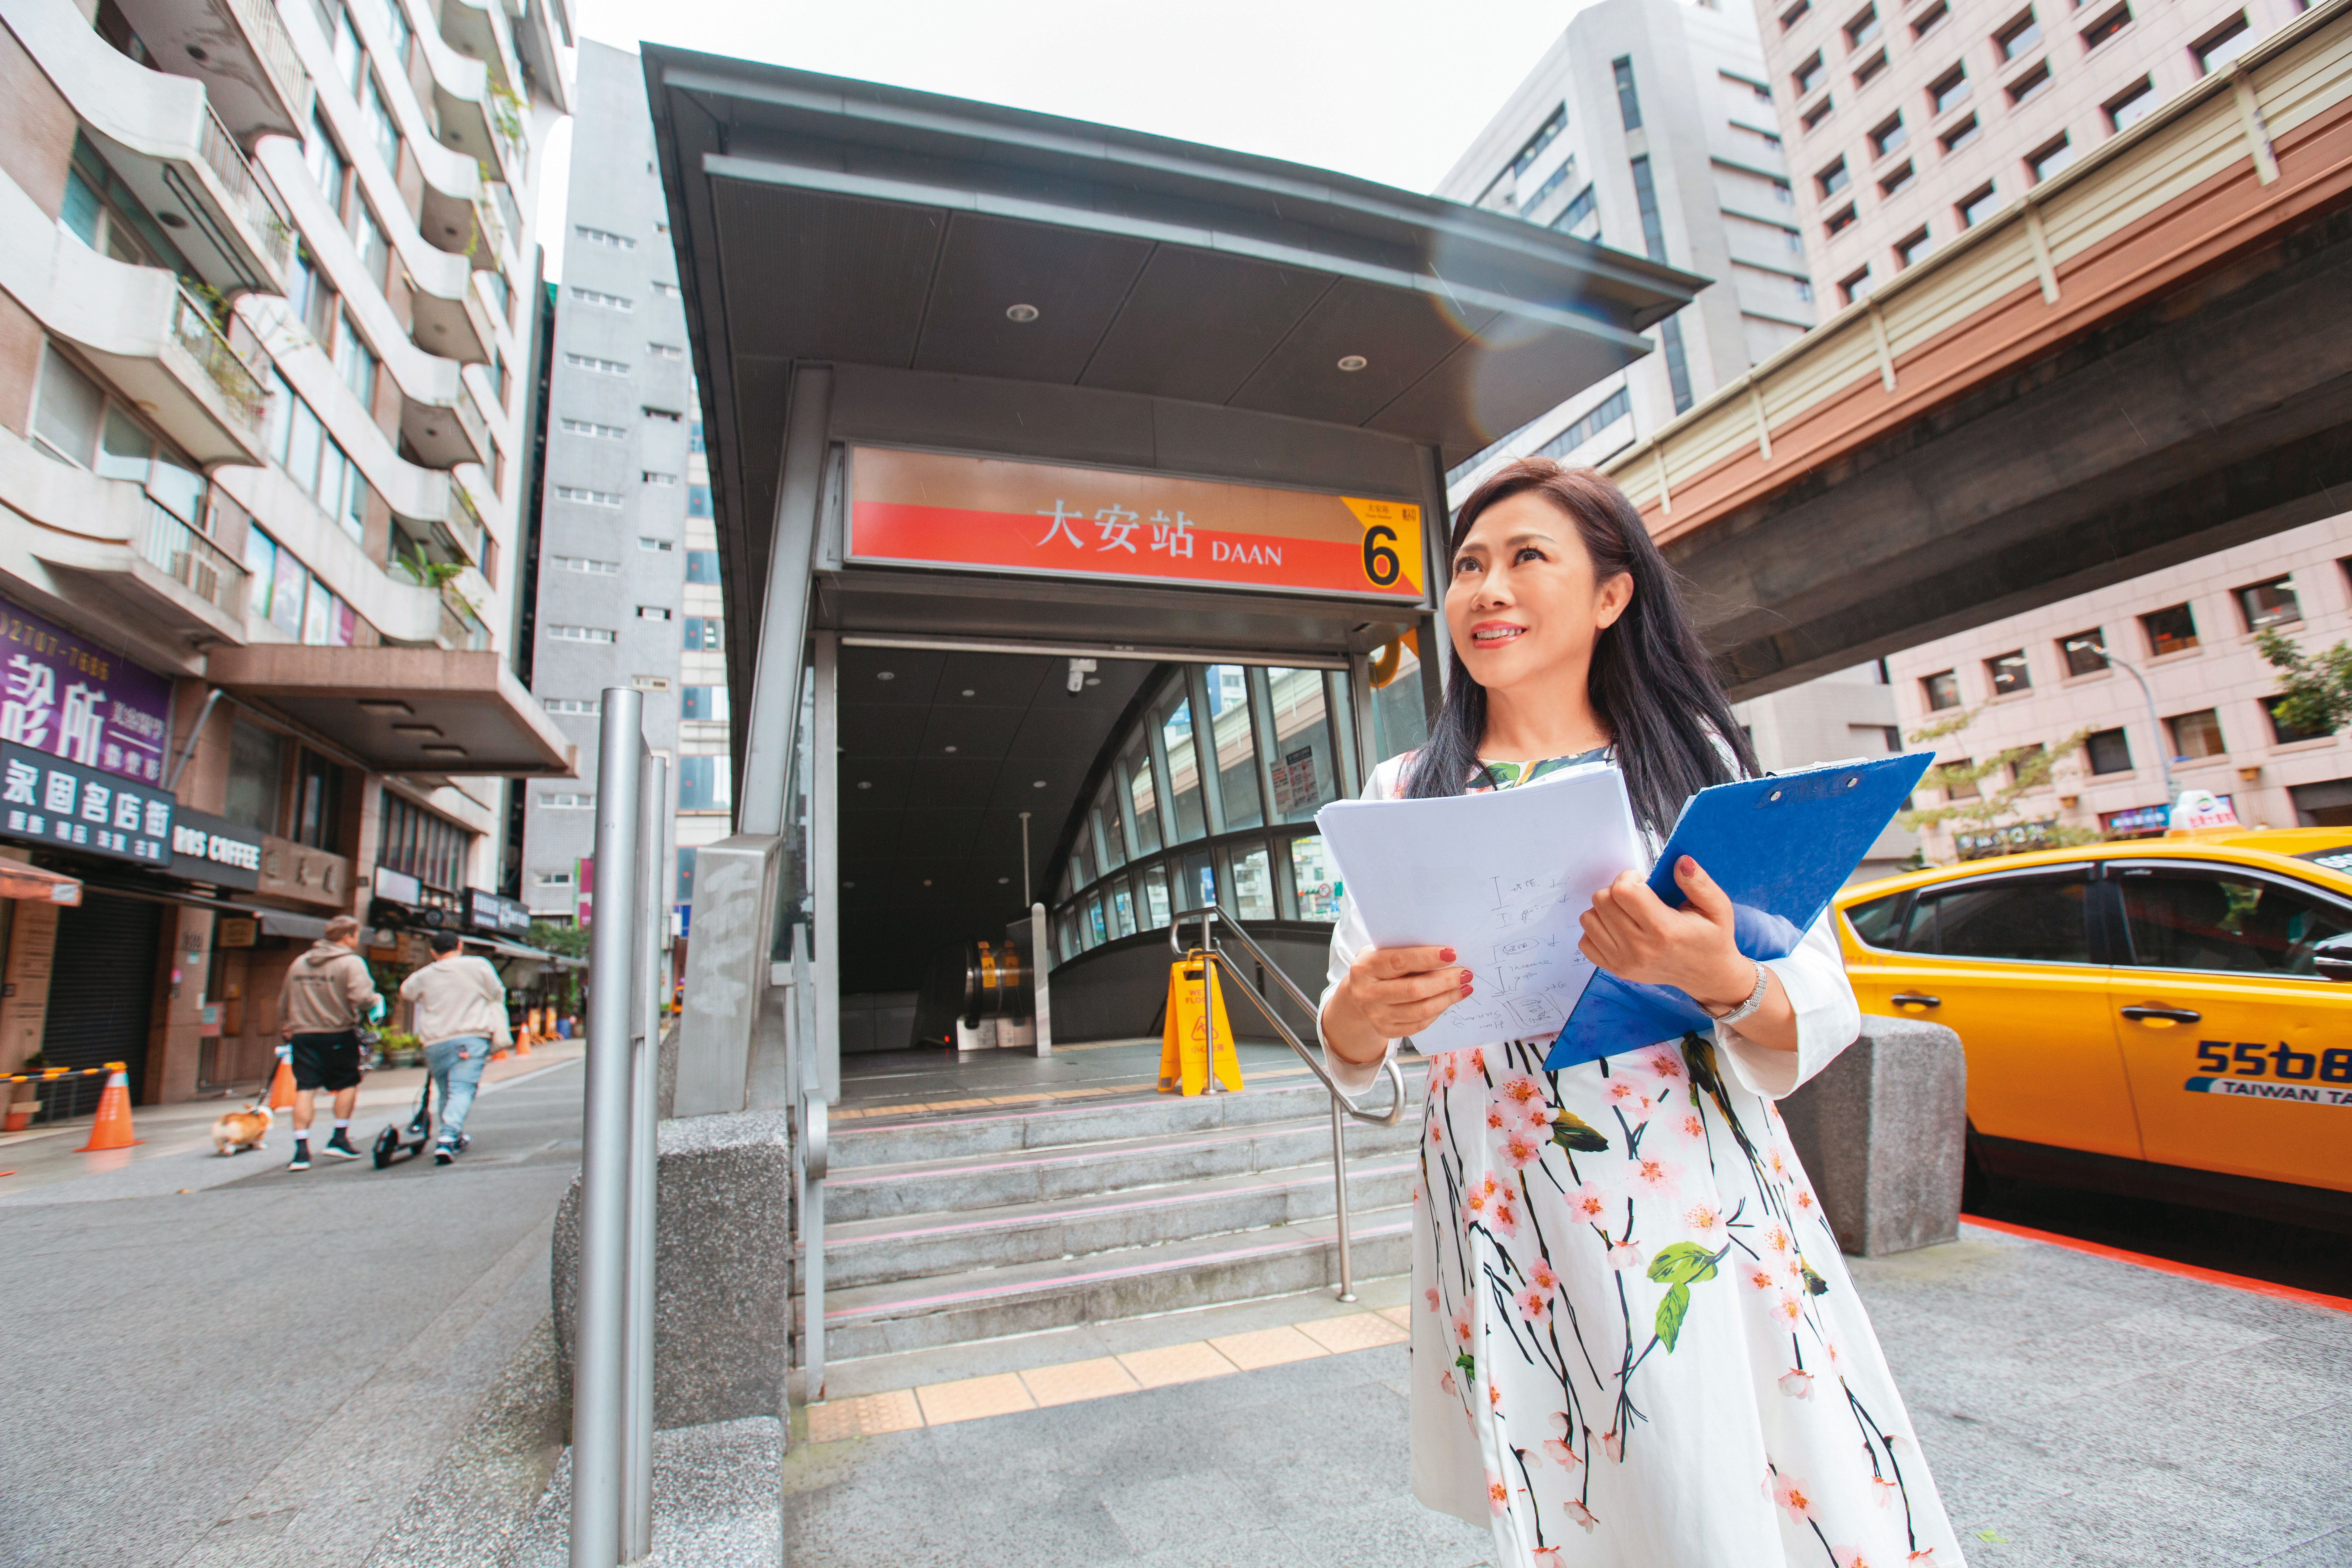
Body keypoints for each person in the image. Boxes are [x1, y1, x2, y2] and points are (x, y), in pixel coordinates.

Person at [1317, 460, 1963, 1567]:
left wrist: (1716, 973)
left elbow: (1813, 1003)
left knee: (1708, 1476)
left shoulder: (1689, 774)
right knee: (1566, 1489)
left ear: (1612, 597)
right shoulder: (1398, 793)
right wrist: (1362, 1013)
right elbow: (1355, 1041)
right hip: (1500, 1192)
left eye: (1526, 558)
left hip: (1682, 1194)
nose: (1486, 590)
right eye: (1469, 566)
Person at [398, 931, 512, 1164]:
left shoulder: (424, 975)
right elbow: (497, 993)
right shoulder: (479, 965)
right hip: (469, 1038)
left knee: (447, 1092)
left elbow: (407, 993)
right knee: (462, 1090)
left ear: (433, 952)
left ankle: (455, 1136)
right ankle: (448, 1138)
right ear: (460, 945)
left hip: (435, 1042)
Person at [279, 914, 381, 1170]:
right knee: (347, 1083)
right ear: (347, 937)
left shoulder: (299, 963)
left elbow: (283, 1001)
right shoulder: (351, 963)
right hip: (338, 1032)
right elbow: (362, 997)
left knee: (305, 1088)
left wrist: (289, 1025)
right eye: (356, 935)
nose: (356, 940)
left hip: (303, 1035)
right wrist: (375, 1000)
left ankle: (301, 1152)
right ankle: (339, 1138)